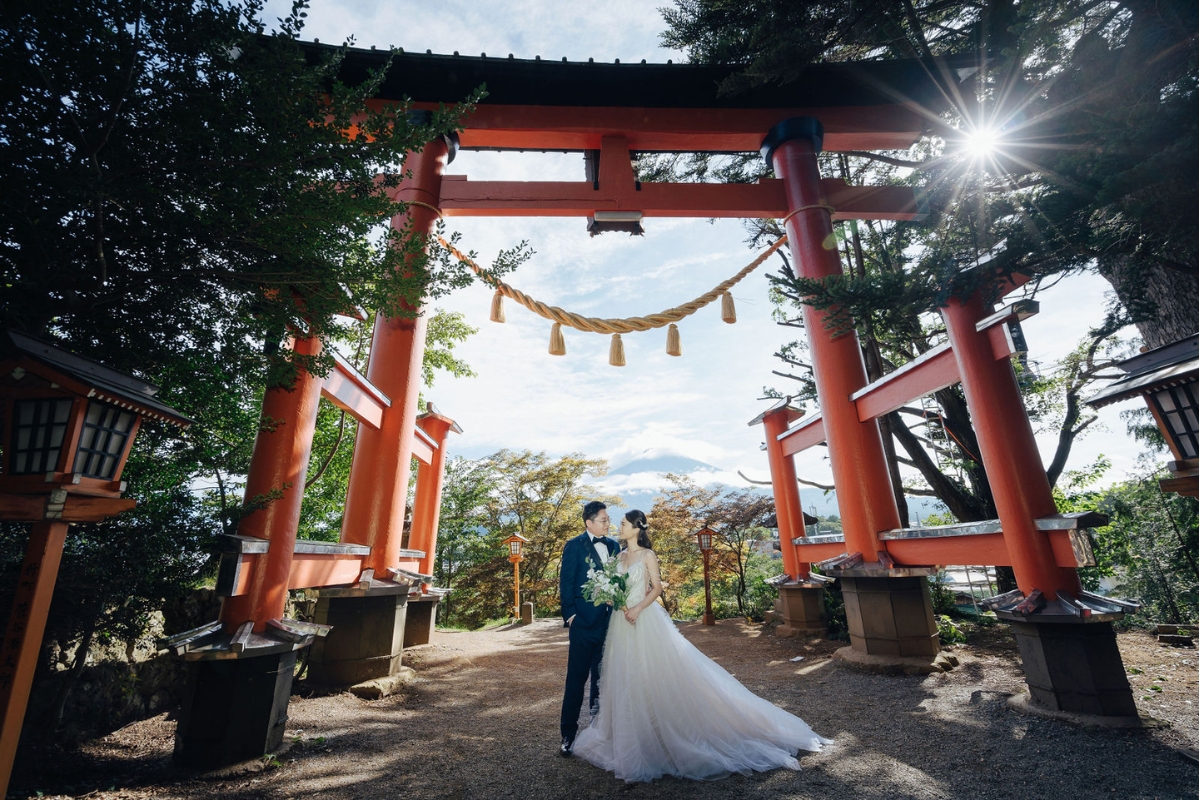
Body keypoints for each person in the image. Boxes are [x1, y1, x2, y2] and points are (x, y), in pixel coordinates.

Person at [572, 509, 830, 782]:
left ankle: (666, 735)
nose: (618, 527)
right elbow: (612, 588)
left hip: (645, 619)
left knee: (657, 674)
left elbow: (657, 588)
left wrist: (636, 608)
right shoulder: (619, 556)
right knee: (625, 677)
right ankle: (632, 736)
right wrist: (618, 602)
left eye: (623, 523)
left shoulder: (648, 555)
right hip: (621, 623)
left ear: (637, 528)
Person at [558, 500, 621, 757]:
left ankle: (599, 735)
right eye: (604, 519)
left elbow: (620, 581)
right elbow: (566, 583)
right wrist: (572, 616)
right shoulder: (574, 546)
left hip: (611, 625)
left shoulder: (615, 546)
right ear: (589, 522)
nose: (608, 523)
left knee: (602, 681)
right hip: (583, 625)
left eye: (608, 519)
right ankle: (567, 736)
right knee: (576, 680)